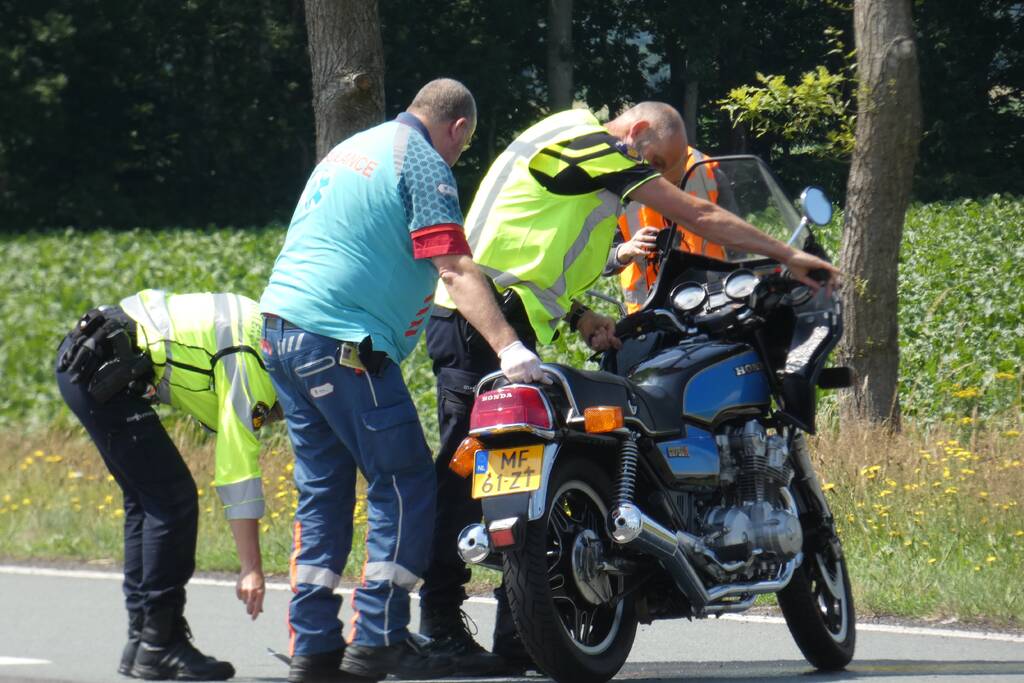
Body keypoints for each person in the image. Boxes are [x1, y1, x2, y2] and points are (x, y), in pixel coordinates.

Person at [417, 102, 841, 672]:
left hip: (499, 319)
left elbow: (524, 254)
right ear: (637, 131)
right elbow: (695, 212)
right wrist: (787, 253)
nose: (655, 176)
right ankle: (441, 624)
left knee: (510, 474)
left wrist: (579, 317)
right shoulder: (587, 142)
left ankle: (522, 629)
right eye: (657, 160)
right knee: (462, 478)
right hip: (480, 322)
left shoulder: (558, 144)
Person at [258, 78, 543, 683]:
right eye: (462, 147)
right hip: (342, 343)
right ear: (458, 128)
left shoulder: (353, 148)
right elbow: (454, 265)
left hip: (281, 332)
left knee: (324, 491)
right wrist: (510, 349)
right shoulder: (420, 159)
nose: (457, 156)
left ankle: (313, 649)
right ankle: (379, 637)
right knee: (407, 480)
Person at [56, 289, 280, 681]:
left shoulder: (262, 324)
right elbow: (236, 467)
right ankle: (160, 644)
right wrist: (251, 568)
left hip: (89, 353)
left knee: (147, 501)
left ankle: (143, 639)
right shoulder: (255, 364)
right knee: (172, 500)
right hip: (104, 366)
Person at [611, 145, 730, 313]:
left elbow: (740, 242)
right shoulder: (617, 184)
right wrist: (625, 250)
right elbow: (603, 262)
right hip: (649, 310)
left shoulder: (706, 169)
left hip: (714, 297)